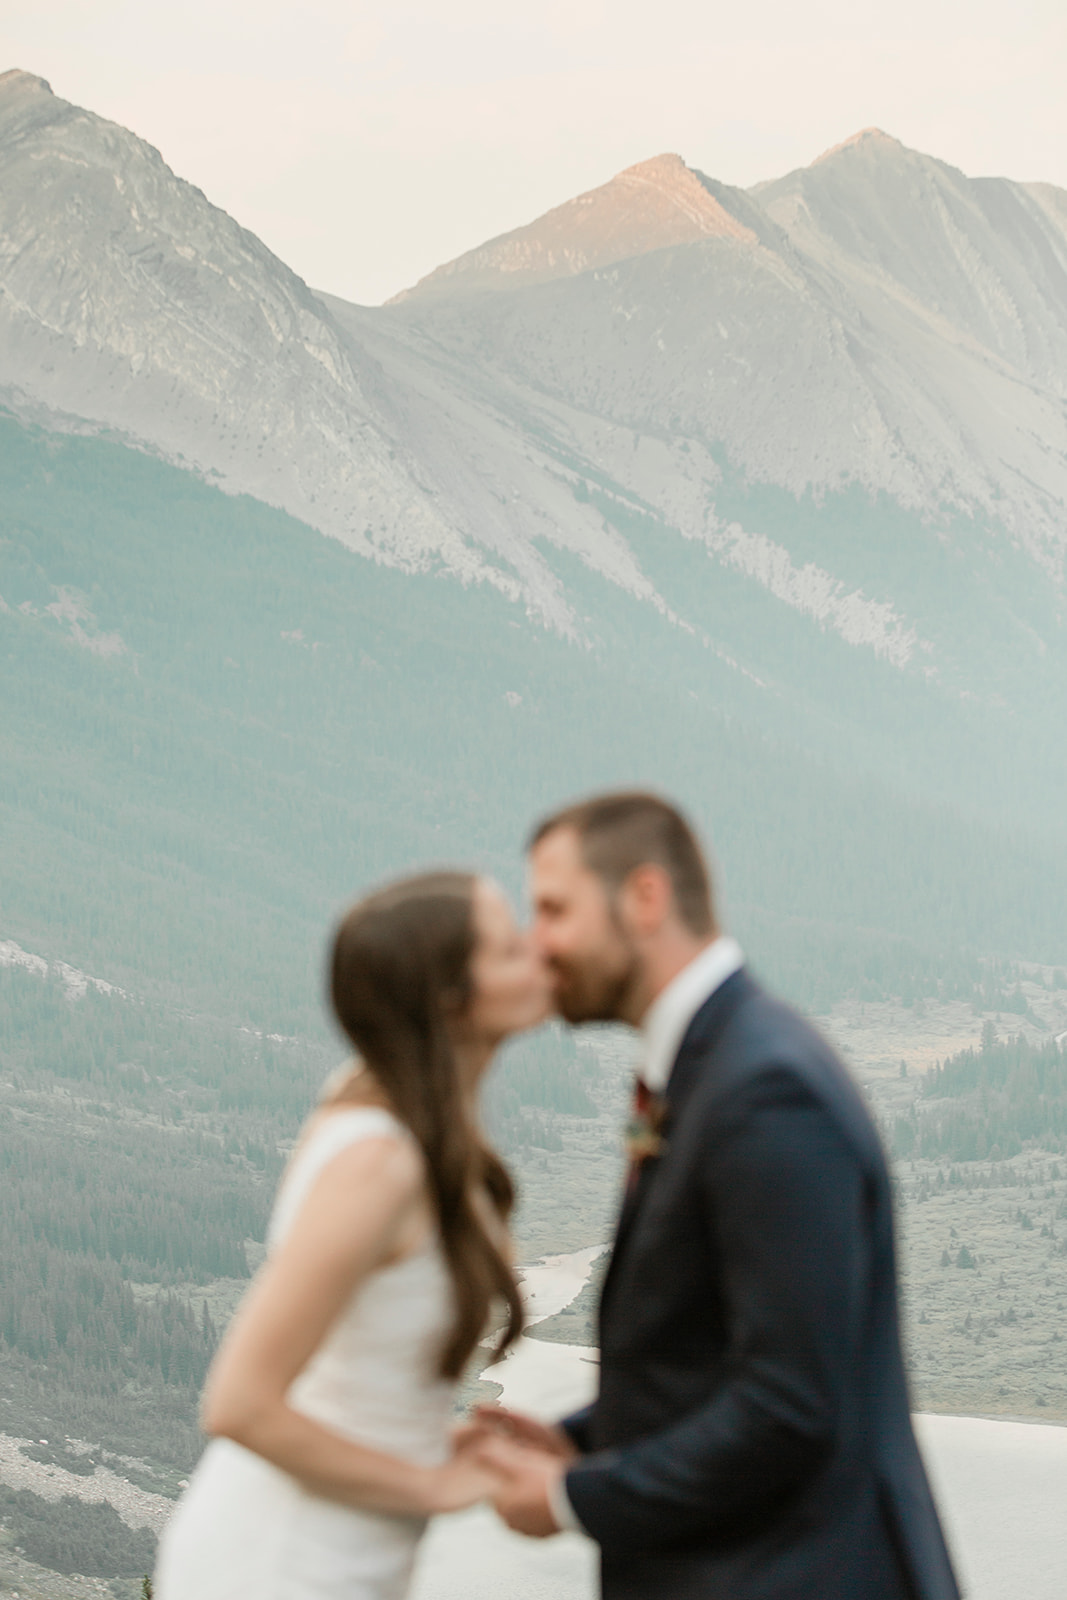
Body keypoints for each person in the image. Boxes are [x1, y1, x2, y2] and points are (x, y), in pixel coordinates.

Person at [472, 792, 960, 1600]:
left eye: (554, 909)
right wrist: (582, 1441)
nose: (538, 943)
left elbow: (789, 1403)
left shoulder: (766, 1091)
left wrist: (570, 1498)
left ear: (645, 898)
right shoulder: (710, 1071)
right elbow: (715, 1359)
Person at [155, 870, 550, 1600]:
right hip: (277, 1567)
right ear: (448, 999)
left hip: (340, 1560)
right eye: (507, 947)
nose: (539, 951)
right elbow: (238, 1402)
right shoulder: (380, 1160)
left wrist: (426, 1441)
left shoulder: (412, 1125)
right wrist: (427, 1484)